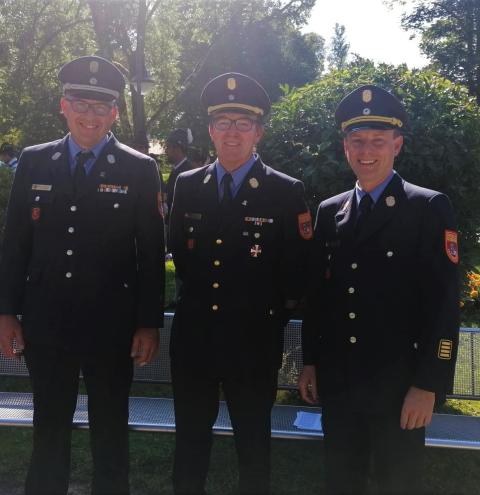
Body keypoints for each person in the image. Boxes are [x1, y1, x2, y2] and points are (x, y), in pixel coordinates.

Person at [0, 55, 165, 495]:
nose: (90, 115)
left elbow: (151, 253)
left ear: (114, 113)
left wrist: (149, 322)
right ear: (64, 106)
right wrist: (6, 312)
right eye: (81, 104)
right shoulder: (34, 162)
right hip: (46, 323)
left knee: (110, 430)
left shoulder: (140, 169)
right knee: (49, 428)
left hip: (111, 326)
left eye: (101, 107)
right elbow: (15, 242)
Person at [298, 85, 459, 495]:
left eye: (378, 141)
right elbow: (319, 297)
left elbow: (443, 305)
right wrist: (312, 361)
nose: (366, 150)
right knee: (341, 481)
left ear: (397, 144)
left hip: (399, 386)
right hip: (340, 382)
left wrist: (428, 385)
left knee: (398, 483)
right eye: (357, 141)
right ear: (345, 146)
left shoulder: (427, 207)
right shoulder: (330, 211)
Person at [169, 72, 312, 495]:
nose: (232, 132)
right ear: (211, 131)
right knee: (190, 445)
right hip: (194, 341)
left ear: (258, 132)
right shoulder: (187, 185)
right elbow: (180, 252)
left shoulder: (285, 192)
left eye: (243, 123)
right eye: (224, 123)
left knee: (253, 447)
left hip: (252, 342)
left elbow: (297, 272)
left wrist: (266, 319)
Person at [165, 127, 194, 226]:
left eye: (168, 147)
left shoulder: (189, 171)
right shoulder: (177, 169)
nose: (166, 150)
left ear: (177, 148)